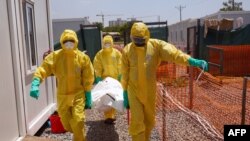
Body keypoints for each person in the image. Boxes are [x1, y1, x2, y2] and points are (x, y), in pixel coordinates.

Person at [121, 22, 208, 141]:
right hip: (134, 91)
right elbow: (124, 72)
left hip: (149, 91)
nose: (138, 42)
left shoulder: (156, 46)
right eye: (135, 39)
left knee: (149, 121)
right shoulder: (127, 50)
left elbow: (174, 54)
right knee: (137, 122)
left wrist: (191, 60)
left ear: (147, 36)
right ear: (131, 37)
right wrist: (124, 90)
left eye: (140, 39)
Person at [30, 29, 94, 141]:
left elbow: (88, 76)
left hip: (78, 95)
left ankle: (79, 137)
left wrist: (88, 92)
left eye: (71, 41)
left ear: (76, 41)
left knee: (78, 121)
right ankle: (78, 132)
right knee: (67, 124)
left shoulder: (82, 58)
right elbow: (43, 69)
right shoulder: (56, 56)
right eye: (66, 41)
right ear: (62, 42)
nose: (69, 43)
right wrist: (36, 82)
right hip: (63, 96)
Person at [93, 35, 122, 124]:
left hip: (115, 80)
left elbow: (120, 64)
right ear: (103, 44)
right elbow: (97, 66)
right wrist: (98, 77)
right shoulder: (100, 54)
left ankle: (111, 115)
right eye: (106, 43)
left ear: (112, 43)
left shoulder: (116, 53)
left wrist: (120, 75)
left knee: (114, 97)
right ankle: (108, 116)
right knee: (106, 97)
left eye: (109, 43)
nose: (107, 45)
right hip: (105, 80)